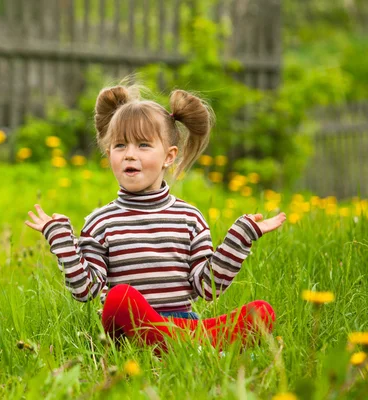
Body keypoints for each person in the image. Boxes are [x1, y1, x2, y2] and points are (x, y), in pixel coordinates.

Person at [25, 84, 287, 351]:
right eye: (119, 145)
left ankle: (180, 344)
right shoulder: (100, 222)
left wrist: (241, 236)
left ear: (169, 156)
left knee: (261, 312)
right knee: (119, 298)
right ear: (109, 154)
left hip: (185, 323)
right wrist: (60, 239)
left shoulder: (189, 218)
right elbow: (86, 291)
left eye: (143, 145)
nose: (129, 153)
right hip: (130, 330)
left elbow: (208, 287)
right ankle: (193, 348)